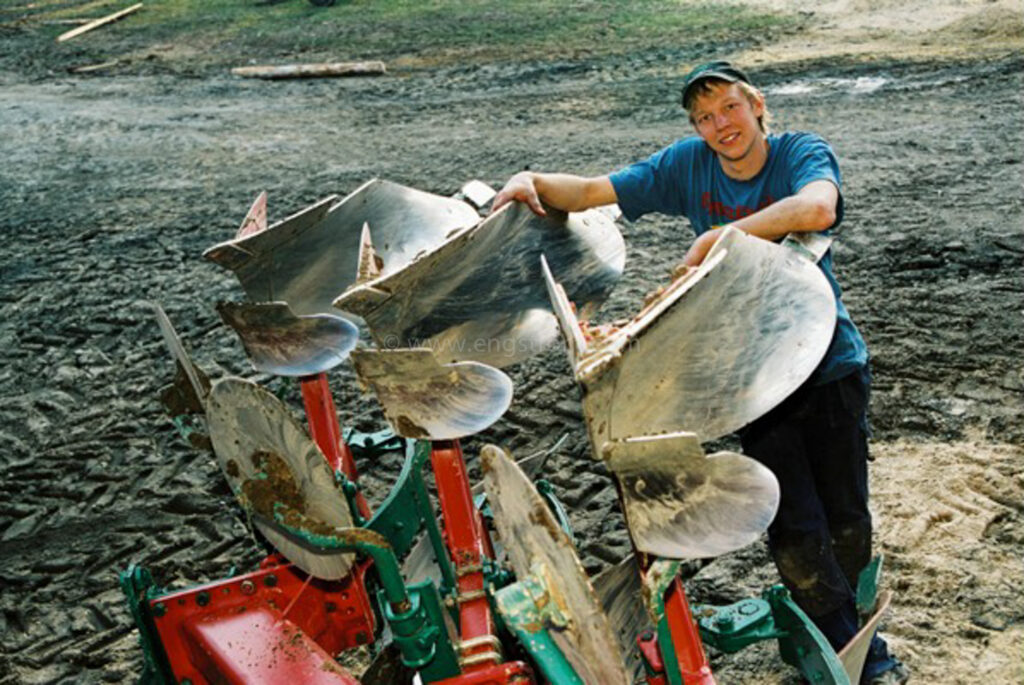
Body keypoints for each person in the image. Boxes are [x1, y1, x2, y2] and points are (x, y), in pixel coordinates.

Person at [492, 61, 909, 684]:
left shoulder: (799, 153)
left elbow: (817, 209)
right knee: (796, 524)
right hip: (753, 381)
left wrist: (720, 237)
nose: (721, 126)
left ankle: (836, 634)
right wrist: (530, 179)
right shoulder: (687, 165)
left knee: (847, 516)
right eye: (705, 118)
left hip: (827, 364)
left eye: (730, 109)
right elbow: (587, 192)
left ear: (757, 105)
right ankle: (862, 660)